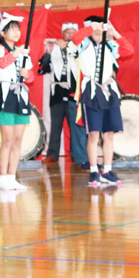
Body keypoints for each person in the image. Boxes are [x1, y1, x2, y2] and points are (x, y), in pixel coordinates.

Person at [71, 16, 134, 186]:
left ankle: (107, 170)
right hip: (91, 91)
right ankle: (93, 170)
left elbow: (129, 50)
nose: (99, 34)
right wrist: (93, 28)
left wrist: (115, 33)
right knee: (93, 134)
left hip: (109, 90)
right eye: (96, 31)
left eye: (101, 31)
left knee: (109, 134)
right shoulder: (83, 44)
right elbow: (75, 38)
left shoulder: (111, 45)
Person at [0, 12, 33, 191]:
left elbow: (30, 74)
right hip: (5, 94)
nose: (16, 32)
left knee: (18, 139)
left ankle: (12, 177)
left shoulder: (23, 53)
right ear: (3, 33)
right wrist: (18, 52)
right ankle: (3, 178)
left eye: (17, 29)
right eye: (11, 29)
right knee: (7, 140)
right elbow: (2, 63)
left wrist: (27, 74)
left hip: (20, 95)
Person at [38, 22, 86, 168]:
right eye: (67, 32)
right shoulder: (55, 49)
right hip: (58, 91)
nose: (70, 35)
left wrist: (65, 49)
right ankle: (52, 154)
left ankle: (76, 154)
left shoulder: (80, 49)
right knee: (56, 124)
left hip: (74, 91)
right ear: (62, 33)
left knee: (75, 124)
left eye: (73, 32)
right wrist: (47, 52)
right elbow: (43, 69)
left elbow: (79, 65)